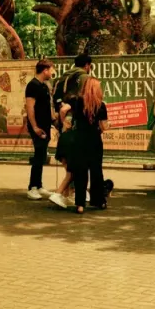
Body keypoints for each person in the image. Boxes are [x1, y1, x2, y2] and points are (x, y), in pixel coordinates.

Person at [69, 76, 109, 214]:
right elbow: (104, 127)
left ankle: (80, 204)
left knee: (80, 171)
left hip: (79, 140)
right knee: (96, 171)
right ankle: (99, 201)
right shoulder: (101, 105)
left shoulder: (77, 102)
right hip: (94, 140)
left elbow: (69, 117)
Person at [25, 60, 56, 200]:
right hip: (38, 127)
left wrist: (54, 120)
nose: (53, 72)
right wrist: (35, 127)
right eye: (51, 69)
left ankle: (39, 185)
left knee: (42, 155)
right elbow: (30, 107)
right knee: (38, 156)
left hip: (45, 125)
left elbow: (48, 106)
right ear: (45, 70)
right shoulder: (32, 85)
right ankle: (32, 188)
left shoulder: (44, 86)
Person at [52, 53, 92, 118]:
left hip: (62, 110)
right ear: (87, 65)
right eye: (90, 66)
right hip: (76, 113)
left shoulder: (66, 75)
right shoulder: (84, 77)